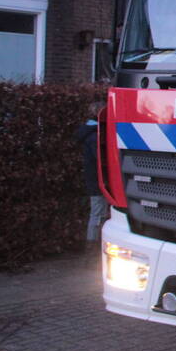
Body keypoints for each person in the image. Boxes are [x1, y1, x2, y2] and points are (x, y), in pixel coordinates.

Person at [75, 102, 107, 250]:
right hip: (98, 181)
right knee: (97, 213)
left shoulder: (88, 133)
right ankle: (92, 246)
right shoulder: (95, 136)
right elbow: (101, 158)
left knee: (97, 211)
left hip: (92, 179)